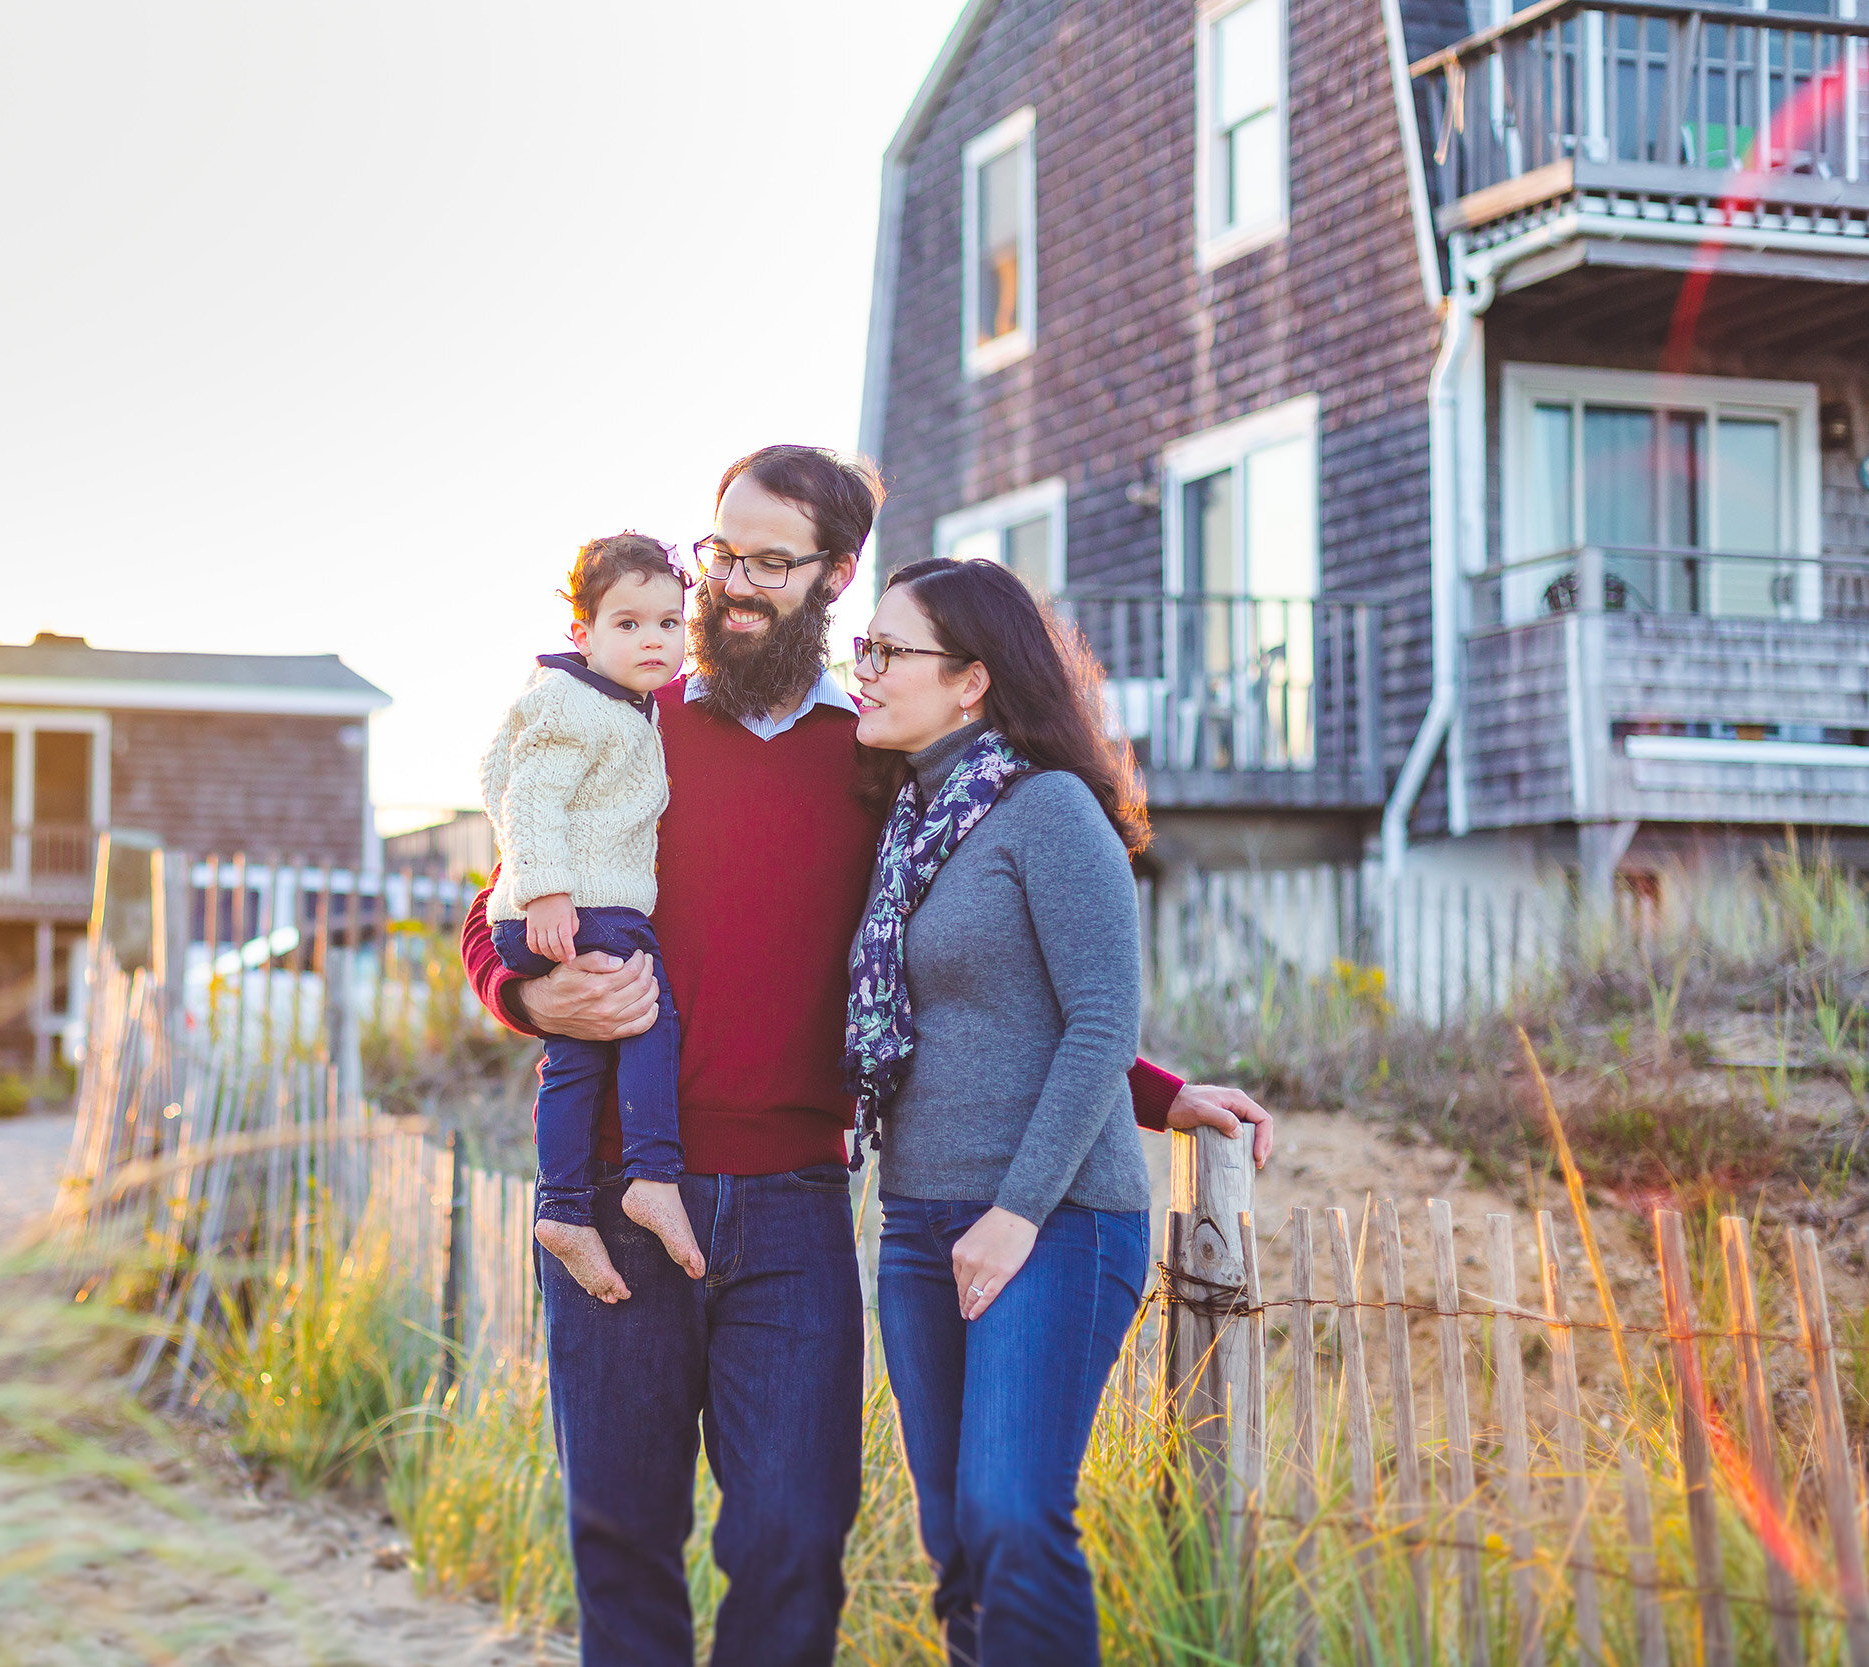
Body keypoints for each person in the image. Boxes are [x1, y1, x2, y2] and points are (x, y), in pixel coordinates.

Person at [459, 444, 1274, 1667]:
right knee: (619, 1534)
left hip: (793, 1205)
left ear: (835, 575)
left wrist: (1150, 1088)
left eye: (767, 561)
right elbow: (498, 908)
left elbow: (970, 975)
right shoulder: (632, 724)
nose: (728, 584)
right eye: (717, 552)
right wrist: (530, 993)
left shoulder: (876, 756)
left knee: (794, 1540)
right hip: (627, 1188)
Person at [846, 556, 1149, 1665]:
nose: (863, 672)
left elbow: (1101, 1019)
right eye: (861, 648)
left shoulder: (1048, 808)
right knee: (956, 1535)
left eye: (887, 651)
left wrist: (1017, 1211)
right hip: (919, 1222)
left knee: (1016, 1516)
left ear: (970, 680)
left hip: (1055, 1219)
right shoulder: (903, 824)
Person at [480, 533, 705, 1302]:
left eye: (670, 623)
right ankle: (652, 1174)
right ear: (582, 633)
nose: (654, 639)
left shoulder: (610, 702)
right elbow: (528, 792)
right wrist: (542, 887)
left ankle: (563, 1207)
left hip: (562, 900)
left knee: (578, 1054)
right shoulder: (574, 699)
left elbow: (494, 769)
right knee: (649, 1014)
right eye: (629, 623)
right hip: (581, 904)